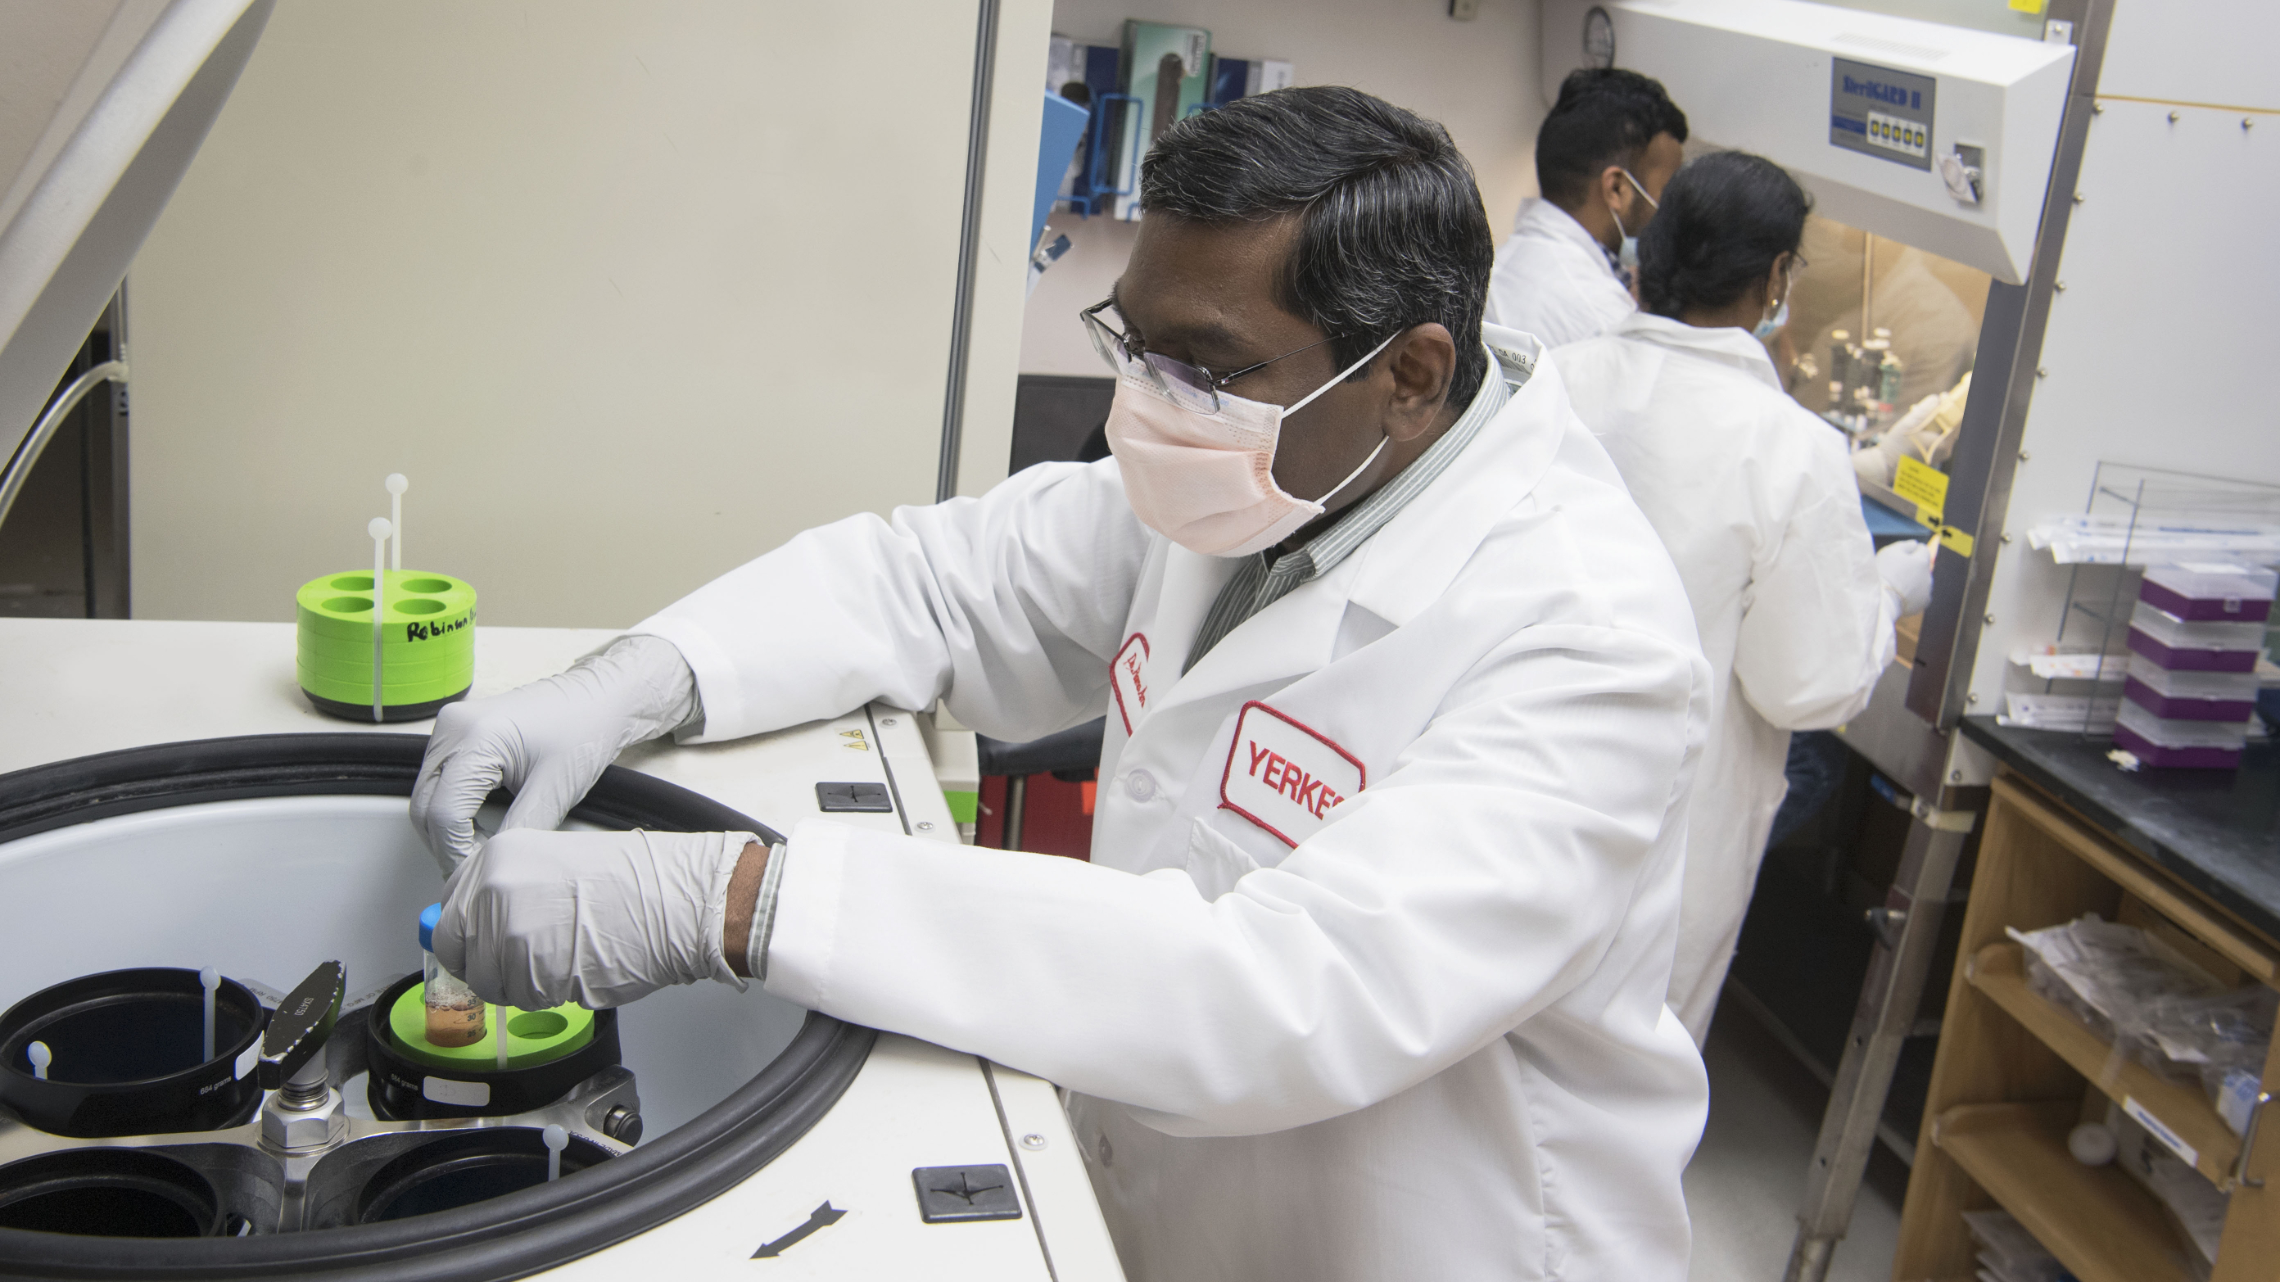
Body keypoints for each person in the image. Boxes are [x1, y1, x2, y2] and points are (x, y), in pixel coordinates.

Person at [415, 88, 1714, 1281]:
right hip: (1173, 1196)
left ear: (1411, 374)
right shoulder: (1264, 481)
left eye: (1204, 366)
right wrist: (632, 680)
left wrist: (736, 897)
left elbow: (1290, 990)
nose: (1148, 406)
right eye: (1134, 345)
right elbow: (935, 581)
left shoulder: (1585, 639)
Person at [1552, 151, 1934, 1044]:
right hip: (1666, 833)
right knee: (1612, 1107)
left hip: (1518, 780)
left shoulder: (1556, 378)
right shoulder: (1792, 450)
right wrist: (1891, 587)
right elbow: (1809, 684)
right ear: (1774, 280)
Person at [1485, 67, 1687, 345]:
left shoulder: (1498, 272)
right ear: (1617, 188)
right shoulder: (1604, 321)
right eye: (1670, 191)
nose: (1674, 207)